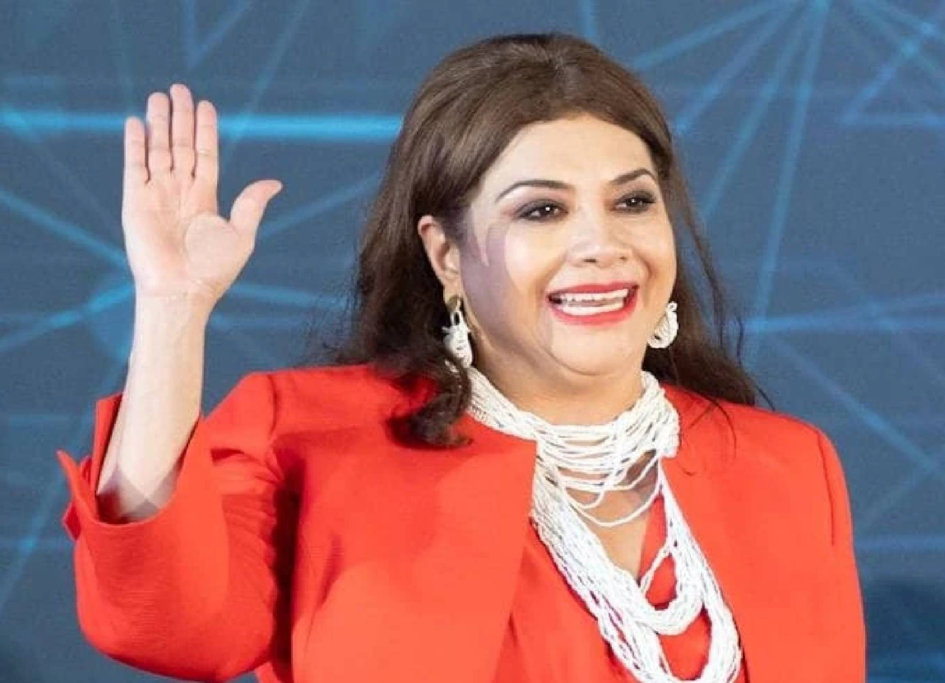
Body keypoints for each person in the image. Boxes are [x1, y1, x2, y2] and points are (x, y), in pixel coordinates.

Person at [56, 33, 865, 683]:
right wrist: (172, 309)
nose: (602, 244)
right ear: (446, 255)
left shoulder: (788, 467)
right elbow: (163, 617)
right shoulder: (315, 439)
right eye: (542, 210)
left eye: (632, 201)